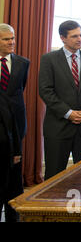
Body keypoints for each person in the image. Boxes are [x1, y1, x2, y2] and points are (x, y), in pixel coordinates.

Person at [39, 20, 81, 180]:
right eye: (74, 36)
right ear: (62, 38)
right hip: (58, 127)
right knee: (54, 174)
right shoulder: (49, 59)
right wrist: (68, 113)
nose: (79, 39)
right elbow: (46, 91)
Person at [0, 24, 29, 222]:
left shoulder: (22, 63)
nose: (12, 42)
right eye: (6, 39)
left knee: (14, 183)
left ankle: (13, 218)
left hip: (16, 129)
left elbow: (19, 91)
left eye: (13, 38)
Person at [0, 91, 21, 222]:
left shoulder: (2, 95)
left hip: (9, 156)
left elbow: (13, 124)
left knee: (12, 199)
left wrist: (17, 151)